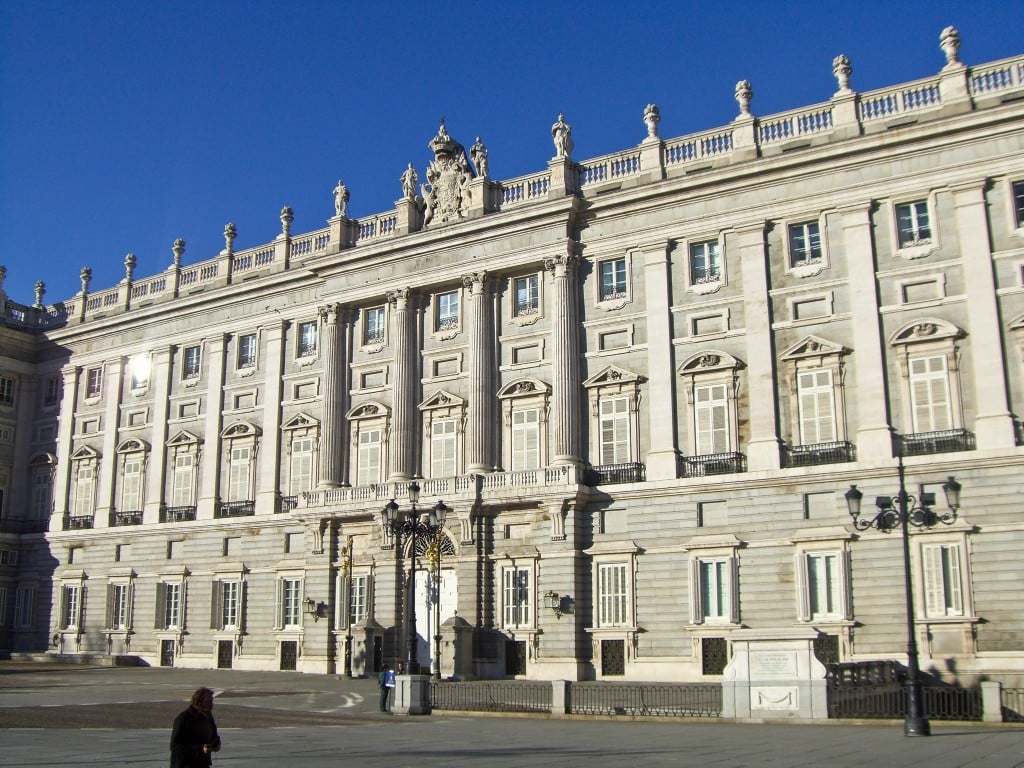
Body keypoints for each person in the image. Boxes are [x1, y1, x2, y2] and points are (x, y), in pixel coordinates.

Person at [170, 686, 221, 768]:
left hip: (203, 764)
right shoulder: (183, 719)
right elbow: (175, 747)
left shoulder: (208, 717)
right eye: (208, 701)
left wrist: (216, 745)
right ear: (198, 701)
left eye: (211, 701)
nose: (211, 704)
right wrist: (200, 749)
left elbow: (214, 737)